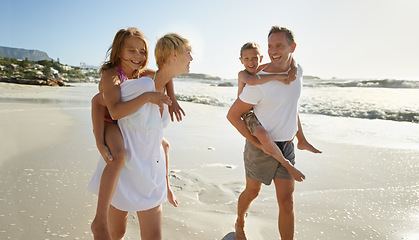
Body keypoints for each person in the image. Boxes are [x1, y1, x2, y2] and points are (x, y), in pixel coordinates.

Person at [88, 29, 192, 240]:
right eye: (132, 51)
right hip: (109, 120)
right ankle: (99, 220)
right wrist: (99, 141)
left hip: (147, 166)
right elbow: (103, 105)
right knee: (118, 156)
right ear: (119, 51)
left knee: (164, 145)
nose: (138, 56)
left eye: (142, 51)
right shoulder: (115, 77)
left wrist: (172, 97)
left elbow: (163, 76)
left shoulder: (143, 75)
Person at [227, 26, 320, 240]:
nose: (273, 50)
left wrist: (300, 137)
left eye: (279, 45)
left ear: (292, 47)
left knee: (287, 202)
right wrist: (255, 142)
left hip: (286, 146)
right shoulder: (260, 81)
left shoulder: (298, 72)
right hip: (259, 146)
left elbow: (290, 106)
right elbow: (233, 115)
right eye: (270, 46)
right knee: (252, 192)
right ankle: (240, 221)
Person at [238, 41, 315, 182]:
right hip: (248, 113)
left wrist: (294, 68)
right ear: (241, 60)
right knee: (262, 134)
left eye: (255, 58)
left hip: (258, 109)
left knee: (288, 106)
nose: (251, 62)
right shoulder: (243, 74)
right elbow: (254, 80)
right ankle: (287, 164)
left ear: (261, 58)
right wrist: (278, 76)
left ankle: (301, 140)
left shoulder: (261, 68)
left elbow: (291, 58)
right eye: (246, 59)